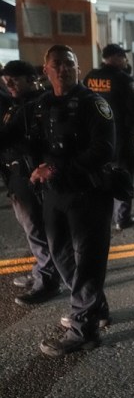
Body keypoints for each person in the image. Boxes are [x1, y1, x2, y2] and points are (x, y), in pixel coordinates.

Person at [29, 44, 116, 356]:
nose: (63, 69)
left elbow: (104, 150)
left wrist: (53, 167)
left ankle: (84, 328)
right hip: (55, 194)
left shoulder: (93, 104)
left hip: (88, 193)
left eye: (69, 63)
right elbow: (34, 145)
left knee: (89, 260)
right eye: (57, 63)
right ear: (46, 70)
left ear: (78, 68)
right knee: (60, 254)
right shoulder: (40, 105)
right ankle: (95, 307)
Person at [0, 60, 60, 304]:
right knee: (33, 230)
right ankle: (41, 271)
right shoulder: (16, 105)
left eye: (14, 80)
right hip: (17, 177)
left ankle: (47, 280)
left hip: (31, 176)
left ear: (30, 78)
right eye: (6, 81)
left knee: (37, 230)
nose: (9, 84)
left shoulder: (40, 104)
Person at [84, 43, 134, 230]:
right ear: (117, 58)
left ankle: (99, 216)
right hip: (119, 137)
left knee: (97, 175)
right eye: (123, 57)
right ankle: (122, 218)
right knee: (123, 174)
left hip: (93, 137)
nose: (125, 61)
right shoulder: (124, 80)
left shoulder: (90, 77)